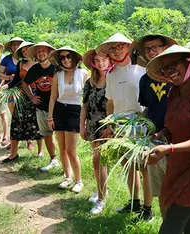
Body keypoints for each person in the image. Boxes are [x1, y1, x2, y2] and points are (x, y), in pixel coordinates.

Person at [146, 45, 190, 234]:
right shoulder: (174, 92)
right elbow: (174, 125)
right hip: (182, 164)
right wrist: (161, 134)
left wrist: (170, 149)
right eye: (165, 68)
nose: (170, 71)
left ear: (189, 61)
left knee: (172, 222)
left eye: (174, 64)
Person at [96, 33, 146, 215]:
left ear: (128, 47)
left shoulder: (142, 69)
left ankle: (147, 209)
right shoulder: (111, 74)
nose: (117, 51)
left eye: (120, 46)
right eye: (112, 48)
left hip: (142, 123)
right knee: (128, 165)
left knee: (145, 167)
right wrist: (110, 124)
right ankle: (134, 202)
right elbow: (110, 101)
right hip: (121, 125)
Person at [129, 34, 177, 221]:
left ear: (165, 48)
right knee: (160, 186)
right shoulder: (145, 80)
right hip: (155, 137)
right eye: (147, 49)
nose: (151, 52)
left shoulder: (176, 76)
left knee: (177, 186)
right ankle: (167, 224)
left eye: (155, 47)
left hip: (178, 137)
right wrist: (134, 126)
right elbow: (149, 107)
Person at [47, 46, 88, 193]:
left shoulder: (83, 74)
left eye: (68, 56)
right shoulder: (58, 75)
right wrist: (50, 117)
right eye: (62, 57)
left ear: (75, 58)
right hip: (59, 110)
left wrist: (86, 118)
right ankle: (67, 177)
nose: (65, 59)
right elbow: (53, 97)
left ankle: (79, 180)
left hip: (75, 111)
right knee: (62, 149)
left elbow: (88, 97)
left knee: (71, 151)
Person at [0, 41, 44, 163]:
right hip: (21, 97)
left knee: (37, 124)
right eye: (23, 50)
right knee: (16, 123)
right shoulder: (20, 64)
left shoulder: (39, 63)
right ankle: (13, 154)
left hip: (37, 97)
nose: (25, 52)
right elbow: (15, 81)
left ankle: (40, 151)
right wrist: (3, 88)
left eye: (27, 49)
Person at [80, 49, 110, 213]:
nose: (101, 63)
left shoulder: (113, 79)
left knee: (100, 160)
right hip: (92, 124)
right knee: (97, 161)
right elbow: (85, 105)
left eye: (104, 60)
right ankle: (102, 189)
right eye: (97, 60)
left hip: (107, 126)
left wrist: (110, 125)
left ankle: (101, 199)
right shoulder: (90, 81)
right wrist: (81, 125)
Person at [23, 42, 59, 172]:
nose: (41, 53)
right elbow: (25, 83)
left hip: (59, 107)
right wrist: (32, 97)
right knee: (47, 135)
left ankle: (68, 166)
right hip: (42, 107)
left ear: (49, 52)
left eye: (43, 51)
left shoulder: (57, 67)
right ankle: (53, 159)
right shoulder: (34, 69)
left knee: (62, 136)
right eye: (38, 52)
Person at [0, 37, 26, 149]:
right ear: (11, 47)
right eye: (13, 45)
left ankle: (28, 139)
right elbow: (0, 74)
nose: (15, 46)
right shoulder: (6, 59)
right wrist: (8, 77)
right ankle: (13, 139)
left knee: (25, 115)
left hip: (25, 90)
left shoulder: (26, 59)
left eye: (18, 44)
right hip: (11, 90)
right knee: (14, 115)